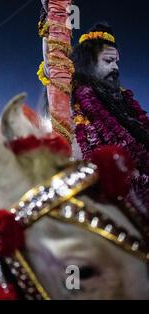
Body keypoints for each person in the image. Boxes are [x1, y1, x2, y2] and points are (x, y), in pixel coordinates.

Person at [69, 24, 149, 213]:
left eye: (116, 61)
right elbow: (51, 67)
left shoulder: (122, 100)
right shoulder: (76, 102)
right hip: (107, 202)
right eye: (108, 61)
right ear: (88, 63)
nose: (115, 67)